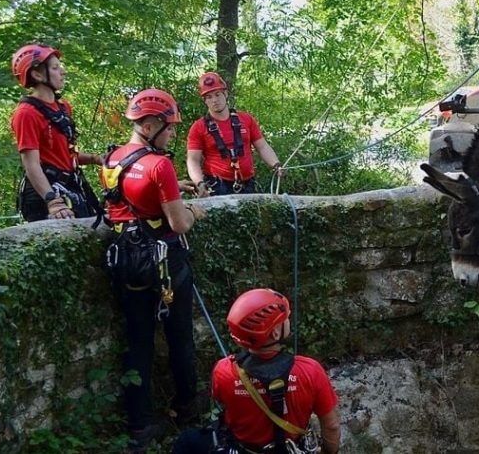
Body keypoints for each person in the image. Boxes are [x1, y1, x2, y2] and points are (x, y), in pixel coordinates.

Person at [99, 88, 204, 452]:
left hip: (125, 259)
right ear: (149, 124)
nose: (174, 133)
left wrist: (175, 188)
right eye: (169, 127)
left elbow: (132, 200)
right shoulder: (160, 165)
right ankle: (187, 404)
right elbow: (178, 223)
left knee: (138, 340)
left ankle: (140, 423)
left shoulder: (112, 158)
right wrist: (192, 210)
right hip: (163, 261)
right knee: (179, 336)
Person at [172, 288, 341, 454]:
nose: (288, 319)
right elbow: (331, 426)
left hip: (244, 448)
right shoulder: (310, 370)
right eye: (285, 318)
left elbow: (221, 401)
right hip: (293, 448)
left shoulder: (223, 371)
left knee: (186, 441)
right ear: (275, 333)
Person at [9, 44, 104, 221]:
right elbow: (31, 165)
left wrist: (93, 158)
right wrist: (53, 202)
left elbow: (64, 155)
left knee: (99, 220)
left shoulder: (63, 107)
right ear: (37, 75)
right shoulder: (26, 114)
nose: (62, 72)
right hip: (44, 193)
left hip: (69, 183)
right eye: (55, 67)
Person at [186, 72, 286, 196]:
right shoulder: (199, 127)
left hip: (247, 183)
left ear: (225, 94)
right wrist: (200, 183)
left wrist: (276, 165)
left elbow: (262, 146)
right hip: (217, 185)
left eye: (217, 94)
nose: (214, 100)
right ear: (205, 101)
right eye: (209, 97)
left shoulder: (246, 120)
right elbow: (193, 160)